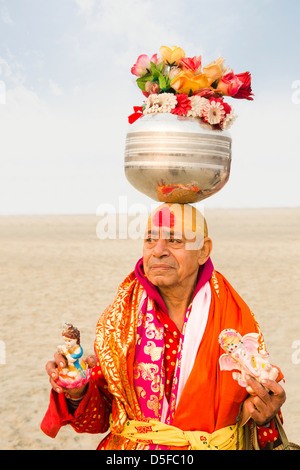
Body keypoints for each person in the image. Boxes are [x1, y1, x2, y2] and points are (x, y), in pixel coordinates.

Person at [41, 203, 286, 450]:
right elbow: (102, 418)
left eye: (174, 241)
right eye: (150, 239)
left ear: (203, 250)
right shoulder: (121, 319)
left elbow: (259, 417)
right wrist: (78, 389)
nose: (158, 251)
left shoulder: (233, 316)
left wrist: (265, 413)